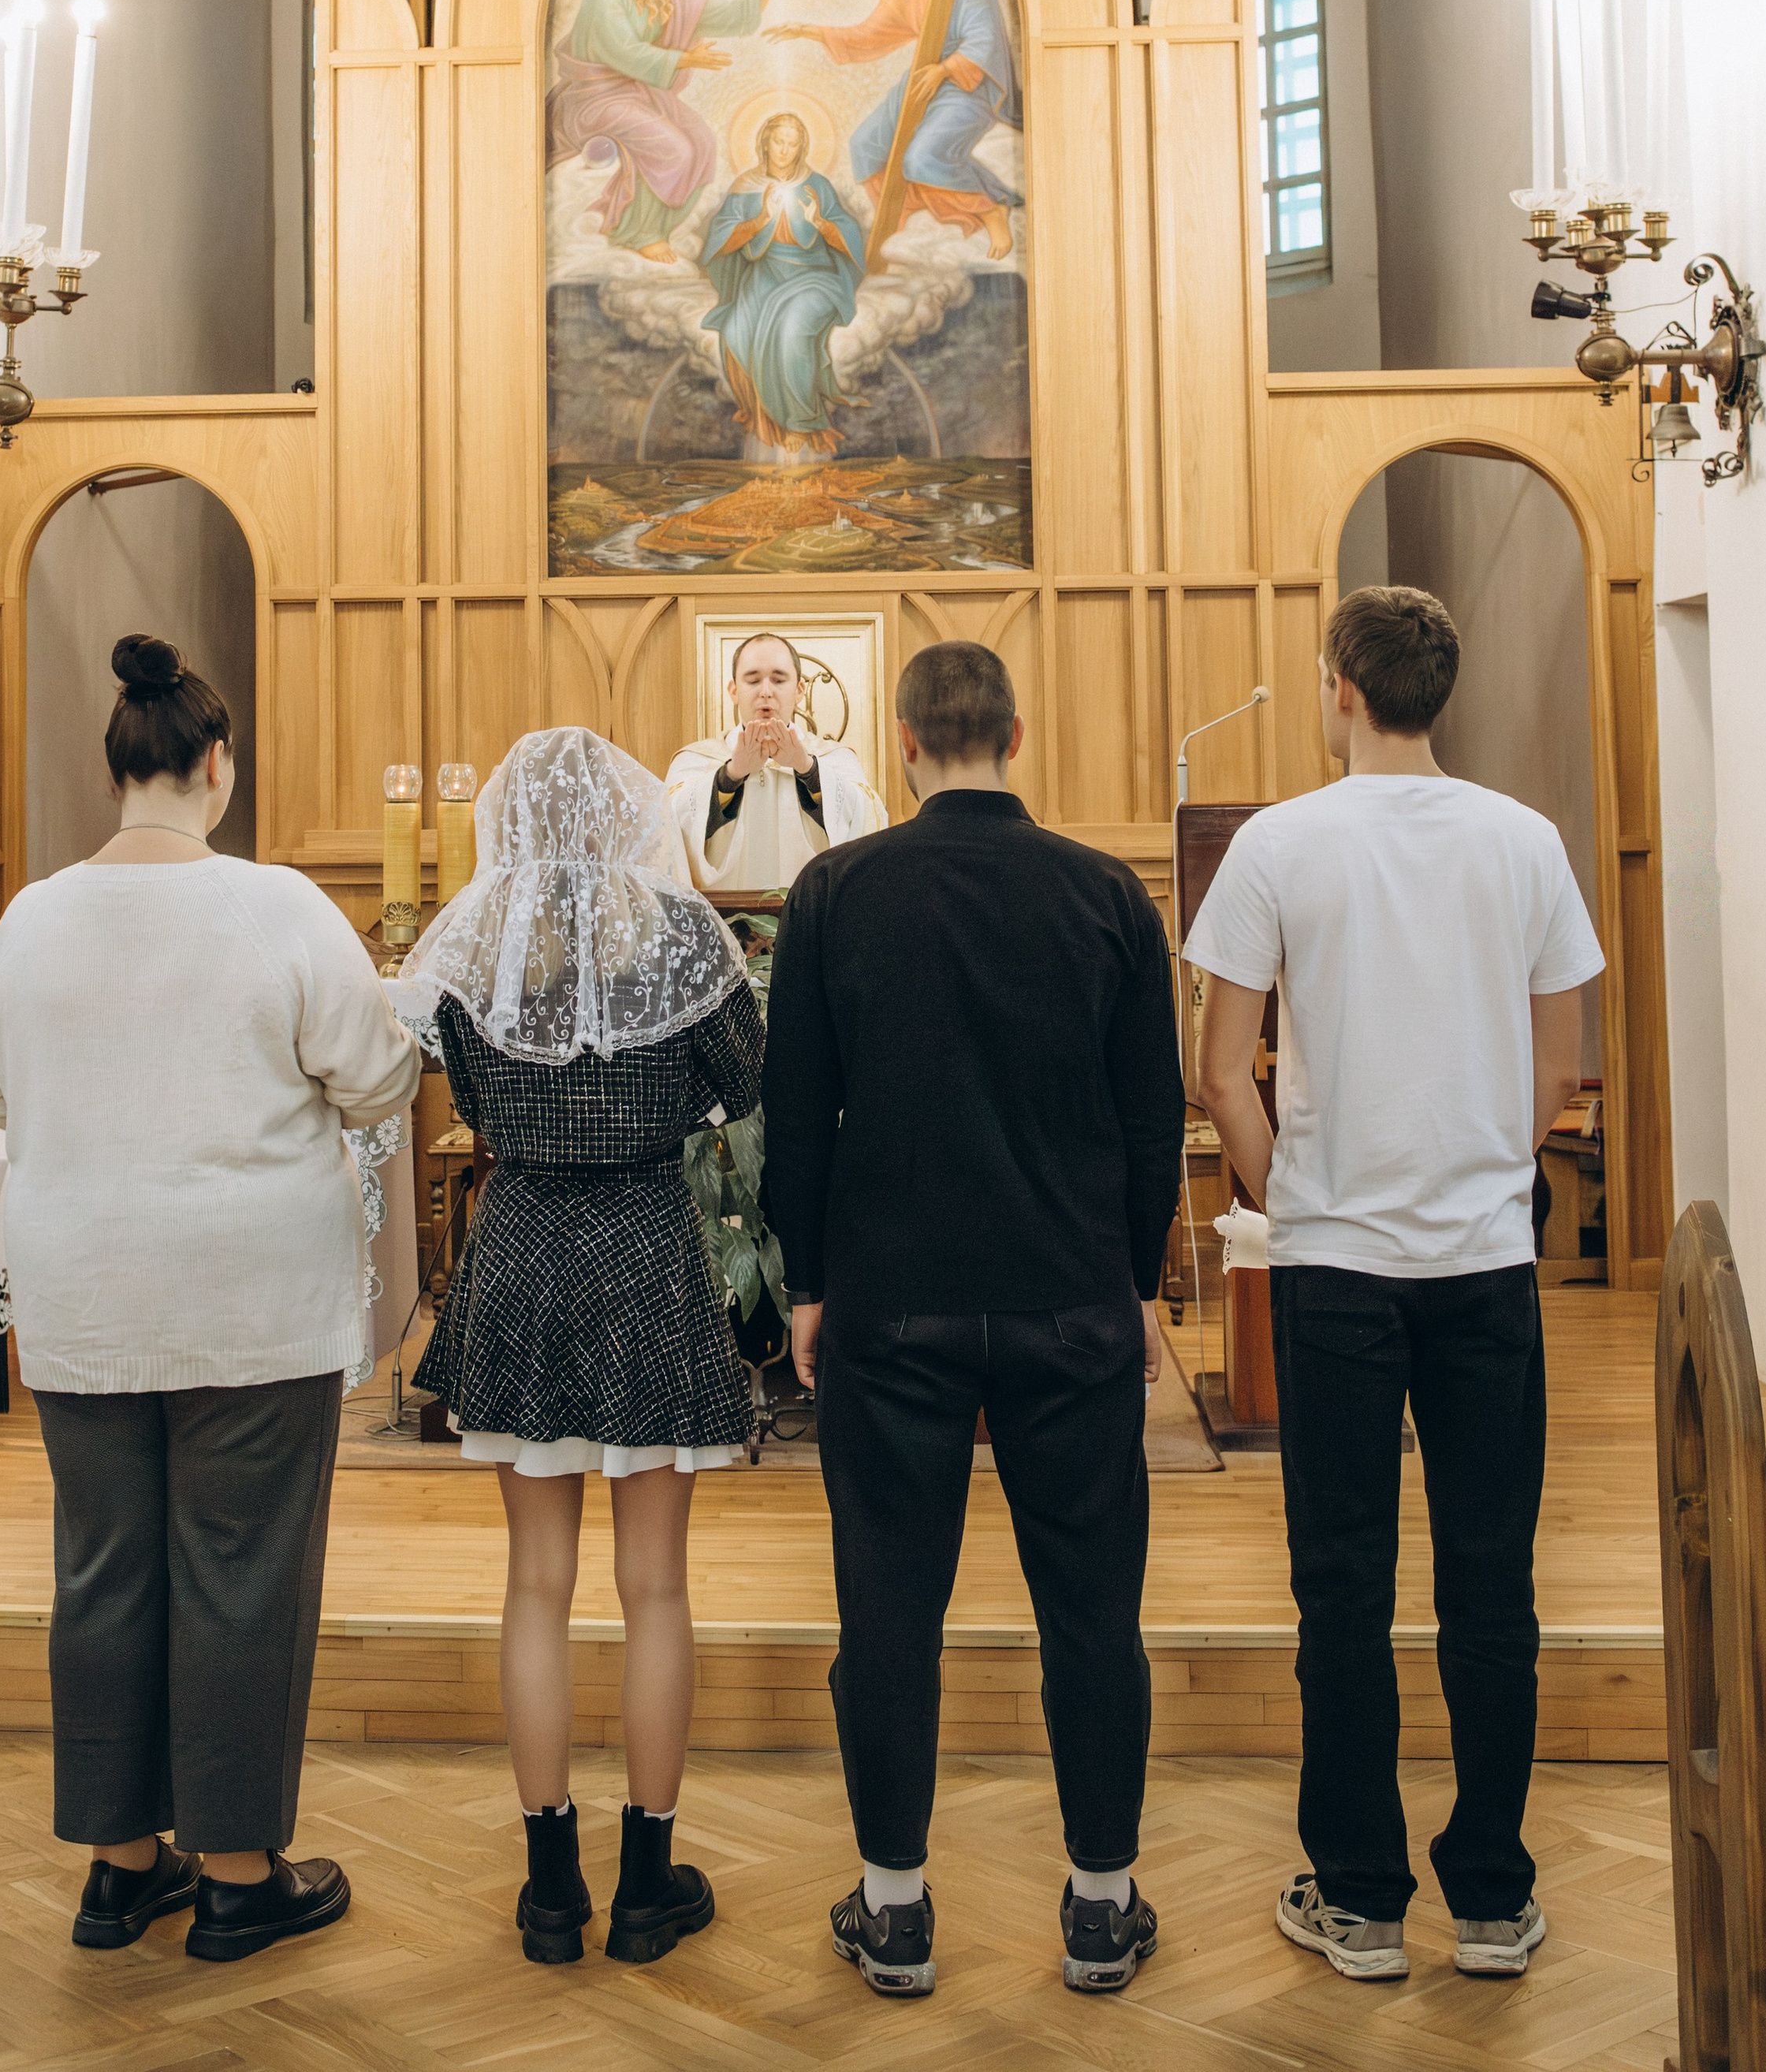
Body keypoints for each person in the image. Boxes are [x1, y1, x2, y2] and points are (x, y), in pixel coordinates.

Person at [0, 634, 418, 1962]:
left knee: (102, 1570)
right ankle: (235, 1876)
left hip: (83, 1294)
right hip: (248, 1297)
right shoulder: (276, 905)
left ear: (117, 772)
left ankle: (119, 1868)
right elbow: (379, 1078)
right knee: (240, 1573)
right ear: (218, 765)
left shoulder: (34, 915)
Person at [1186, 585, 1600, 1986]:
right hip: (1484, 1263)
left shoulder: (1280, 842)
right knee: (1492, 1581)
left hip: (1337, 1270)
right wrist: (1482, 1169)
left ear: (1342, 688)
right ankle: (1491, 1897)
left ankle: (1361, 1900)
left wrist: (1287, 1200)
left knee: (1343, 1586)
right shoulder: (1523, 838)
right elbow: (1560, 1064)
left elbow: (1219, 1071)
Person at [762, 639, 1184, 2001]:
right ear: (1016, 733)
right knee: (1092, 1612)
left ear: (901, 743)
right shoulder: (1105, 891)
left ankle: (894, 1908)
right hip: (1070, 1293)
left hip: (890, 1300)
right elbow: (1150, 1117)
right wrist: (1137, 1284)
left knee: (889, 1607)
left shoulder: (836, 891)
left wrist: (807, 1284)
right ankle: (1102, 1903)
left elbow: (796, 1115)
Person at [396, 727, 765, 1967]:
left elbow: (469, 1099)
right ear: (623, 818)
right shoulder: (682, 939)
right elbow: (746, 1081)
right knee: (655, 1584)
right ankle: (648, 1885)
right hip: (648, 1244)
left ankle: (552, 1888)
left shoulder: (474, 945)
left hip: (524, 1249)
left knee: (534, 1584)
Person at [773, 0, 1022, 258]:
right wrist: (808, 31)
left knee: (921, 158)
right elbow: (869, 35)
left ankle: (992, 210)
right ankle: (903, 222)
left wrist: (945, 69)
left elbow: (985, 38)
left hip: (968, 80)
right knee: (865, 146)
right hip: (923, 77)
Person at [546, 0, 789, 262]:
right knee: (673, 148)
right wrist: (686, 58)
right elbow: (623, 51)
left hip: (639, 93)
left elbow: (735, 16)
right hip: (595, 97)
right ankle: (638, 232)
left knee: (703, 142)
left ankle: (658, 228)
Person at [666, 628, 886, 893]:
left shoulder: (835, 759)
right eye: (753, 680)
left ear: (799, 689)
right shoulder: (697, 759)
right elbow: (667, 829)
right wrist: (731, 776)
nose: (766, 692)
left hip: (811, 912)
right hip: (723, 914)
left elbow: (867, 820)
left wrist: (807, 769)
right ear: (734, 690)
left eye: (779, 680)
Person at [699, 112, 866, 459]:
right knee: (735, 329)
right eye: (779, 142)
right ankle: (766, 418)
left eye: (792, 144)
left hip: (815, 276)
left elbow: (850, 238)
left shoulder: (817, 186)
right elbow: (720, 242)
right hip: (765, 274)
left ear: (802, 148)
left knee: (792, 328)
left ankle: (801, 421)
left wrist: (820, 223)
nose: (785, 150)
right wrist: (760, 219)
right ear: (765, 143)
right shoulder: (746, 186)